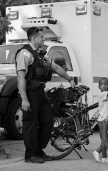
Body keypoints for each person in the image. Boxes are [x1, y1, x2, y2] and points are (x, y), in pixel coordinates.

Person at [16, 27, 75, 163]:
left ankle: (38, 150)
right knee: (30, 122)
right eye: (41, 37)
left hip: (40, 92)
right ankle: (30, 154)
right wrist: (24, 99)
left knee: (47, 120)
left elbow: (56, 67)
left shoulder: (40, 55)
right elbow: (20, 78)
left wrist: (69, 78)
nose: (44, 39)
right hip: (30, 93)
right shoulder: (25, 54)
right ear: (34, 38)